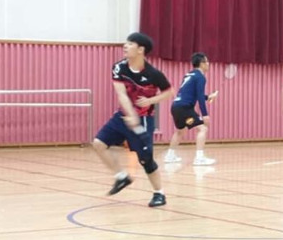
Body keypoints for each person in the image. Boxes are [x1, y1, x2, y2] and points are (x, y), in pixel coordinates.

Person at [91, 33, 173, 207]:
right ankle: (122, 177)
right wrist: (130, 114)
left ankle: (159, 193)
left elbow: (169, 92)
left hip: (144, 119)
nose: (125, 46)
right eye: (126, 43)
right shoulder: (119, 67)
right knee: (98, 143)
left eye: (130, 44)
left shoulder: (153, 74)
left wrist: (151, 101)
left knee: (145, 159)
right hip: (123, 116)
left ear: (141, 50)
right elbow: (121, 94)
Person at [166, 53, 218, 166]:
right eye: (207, 61)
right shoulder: (200, 77)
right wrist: (205, 115)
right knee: (203, 129)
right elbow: (199, 97)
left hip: (176, 107)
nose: (208, 64)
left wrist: (208, 97)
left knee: (180, 131)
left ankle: (170, 156)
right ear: (201, 64)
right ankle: (199, 158)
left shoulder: (189, 75)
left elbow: (192, 93)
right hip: (185, 108)